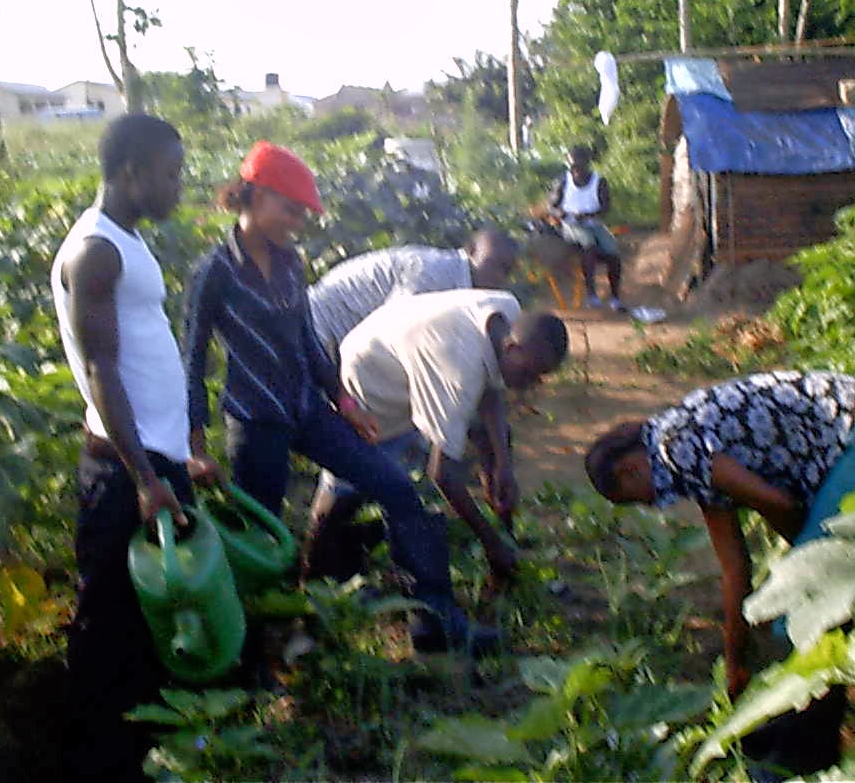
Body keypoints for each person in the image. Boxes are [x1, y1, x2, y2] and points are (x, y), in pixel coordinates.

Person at [184, 140, 497, 654]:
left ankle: (436, 620)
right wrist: (196, 445)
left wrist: (345, 404)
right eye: (290, 209)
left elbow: (308, 339)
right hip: (255, 419)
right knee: (261, 537)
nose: (297, 222)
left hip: (308, 407)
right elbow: (192, 359)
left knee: (396, 485)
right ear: (255, 197)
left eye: (301, 214)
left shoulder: (289, 262)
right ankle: (254, 652)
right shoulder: (213, 273)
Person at [583, 370, 855, 699]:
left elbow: (778, 504)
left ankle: (813, 732)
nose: (650, 505)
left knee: (800, 606)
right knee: (827, 582)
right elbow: (735, 568)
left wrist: (803, 558)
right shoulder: (683, 447)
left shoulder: (675, 448)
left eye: (635, 499)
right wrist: (735, 661)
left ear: (630, 470)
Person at [50, 114, 223, 783]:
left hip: (155, 457)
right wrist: (145, 475)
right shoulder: (96, 250)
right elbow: (102, 372)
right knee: (106, 621)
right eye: (171, 173)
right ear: (131, 173)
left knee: (154, 616)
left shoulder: (124, 239)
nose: (179, 185)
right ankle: (94, 761)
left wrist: (180, 454)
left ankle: (148, 752)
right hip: (127, 470)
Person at [304, 289, 569, 585]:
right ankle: (311, 574)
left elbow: (492, 382)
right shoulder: (458, 373)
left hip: (400, 348)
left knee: (403, 472)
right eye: (530, 373)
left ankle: (358, 554)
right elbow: (442, 475)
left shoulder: (506, 310)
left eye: (540, 376)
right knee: (351, 479)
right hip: (372, 379)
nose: (531, 383)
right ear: (512, 348)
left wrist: (503, 465)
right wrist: (491, 544)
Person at [308, 229, 520, 362]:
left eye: (506, 271)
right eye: (493, 265)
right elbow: (393, 335)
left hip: (339, 335)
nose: (498, 277)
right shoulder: (434, 275)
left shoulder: (460, 288)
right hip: (320, 327)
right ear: (470, 251)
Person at [547, 144, 624, 311]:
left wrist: (588, 216)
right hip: (570, 224)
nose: (575, 169)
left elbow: (605, 208)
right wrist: (560, 213)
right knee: (588, 244)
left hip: (594, 224)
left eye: (579, 164)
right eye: (573, 165)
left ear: (587, 163)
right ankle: (592, 295)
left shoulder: (599, 181)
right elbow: (551, 206)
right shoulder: (562, 181)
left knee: (613, 253)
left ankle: (616, 298)